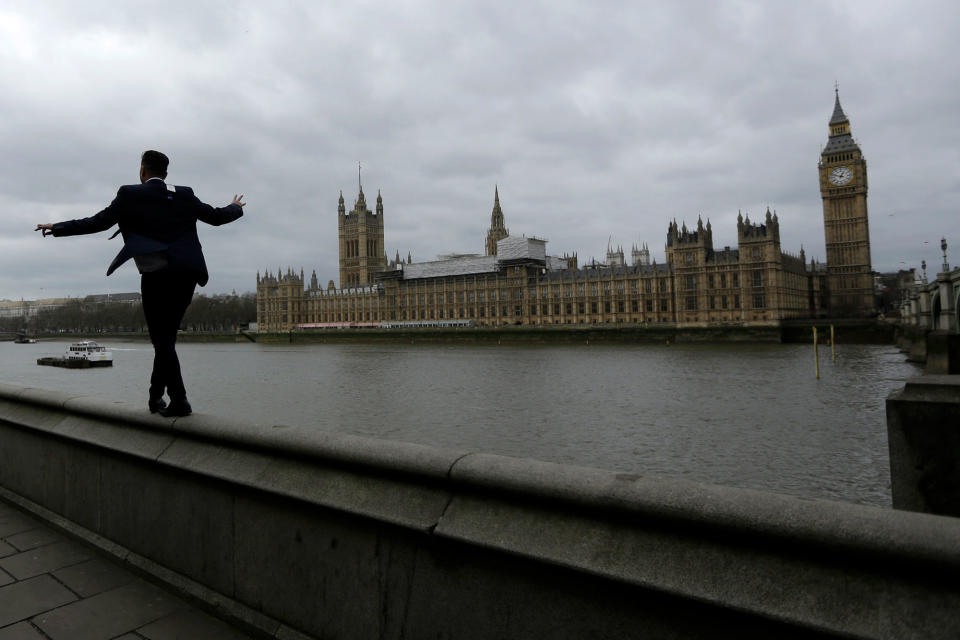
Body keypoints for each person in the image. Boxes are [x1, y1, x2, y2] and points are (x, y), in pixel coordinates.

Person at [35, 150, 245, 417]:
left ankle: (179, 400)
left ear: (142, 171)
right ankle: (155, 397)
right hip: (188, 273)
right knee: (166, 339)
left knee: (162, 340)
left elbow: (97, 222)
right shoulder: (185, 194)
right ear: (166, 173)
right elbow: (217, 217)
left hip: (158, 274)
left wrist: (58, 227)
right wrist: (236, 208)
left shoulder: (130, 194)